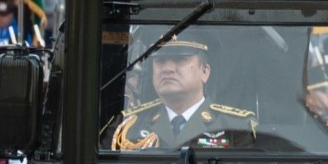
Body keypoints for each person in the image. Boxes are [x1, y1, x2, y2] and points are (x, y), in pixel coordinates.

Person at [109, 39, 257, 150]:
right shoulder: (127, 126)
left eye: (180, 59)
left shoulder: (237, 128)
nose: (167, 69)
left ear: (204, 71)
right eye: (160, 61)